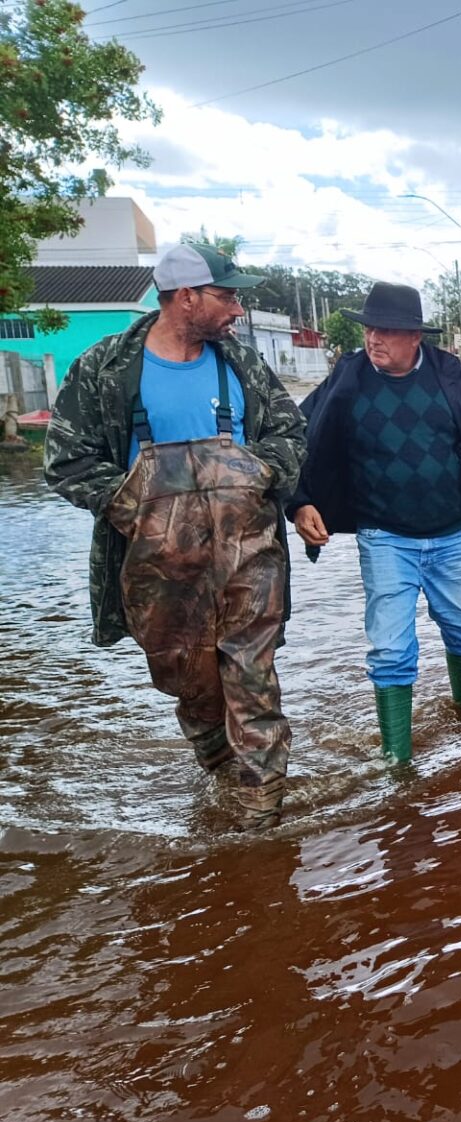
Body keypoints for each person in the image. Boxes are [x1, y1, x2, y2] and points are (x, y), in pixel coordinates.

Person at [43, 242, 306, 823]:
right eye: (227, 295)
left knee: (252, 678)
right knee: (193, 682)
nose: (237, 309)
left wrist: (257, 471)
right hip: (159, 564)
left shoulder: (241, 364)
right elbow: (66, 462)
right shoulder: (106, 367)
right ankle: (221, 780)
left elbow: (291, 434)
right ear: (186, 297)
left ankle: (261, 821)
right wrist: (133, 504)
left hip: (249, 553)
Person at [287, 282, 461, 764]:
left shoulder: (453, 378)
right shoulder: (348, 379)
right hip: (385, 538)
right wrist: (300, 503)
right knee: (390, 649)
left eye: (386, 330)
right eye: (369, 329)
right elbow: (297, 437)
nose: (374, 339)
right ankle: (397, 762)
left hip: (456, 534)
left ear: (414, 337)